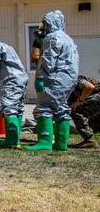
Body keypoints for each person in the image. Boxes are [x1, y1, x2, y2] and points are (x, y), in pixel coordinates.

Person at [27, 11, 80, 151]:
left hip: (55, 78)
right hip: (68, 79)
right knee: (61, 108)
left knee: (44, 107)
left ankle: (44, 142)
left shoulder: (52, 38)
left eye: (44, 23)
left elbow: (48, 60)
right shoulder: (67, 38)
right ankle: (61, 144)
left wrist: (40, 77)